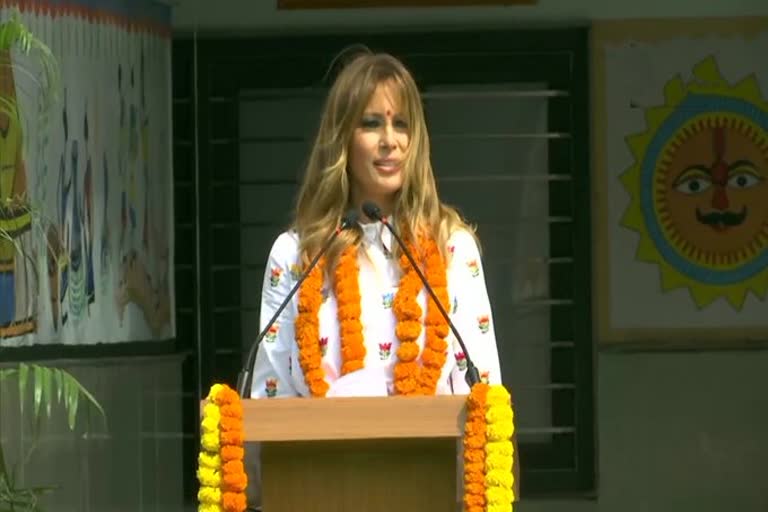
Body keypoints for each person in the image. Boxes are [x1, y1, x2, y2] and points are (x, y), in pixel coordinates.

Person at [249, 49, 502, 400]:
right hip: (320, 454)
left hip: (431, 454)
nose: (390, 141)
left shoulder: (451, 247)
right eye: (371, 123)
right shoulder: (297, 253)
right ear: (342, 139)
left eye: (401, 124)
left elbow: (483, 393)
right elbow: (269, 395)